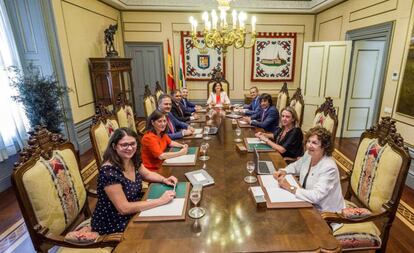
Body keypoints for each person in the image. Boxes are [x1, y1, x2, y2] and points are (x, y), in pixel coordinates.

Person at [91, 128, 178, 234]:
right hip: (115, 221)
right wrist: (160, 201)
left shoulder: (132, 158)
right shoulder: (109, 172)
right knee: (159, 231)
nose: (130, 148)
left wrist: (164, 179)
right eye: (124, 145)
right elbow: (124, 208)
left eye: (133, 144)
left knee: (169, 223)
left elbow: (146, 174)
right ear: (114, 146)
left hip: (135, 209)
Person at [273, 126, 344, 213]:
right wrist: (284, 171)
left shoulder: (329, 167)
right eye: (308, 141)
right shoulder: (309, 154)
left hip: (323, 212)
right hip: (306, 202)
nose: (309, 145)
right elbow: (297, 166)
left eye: (314, 143)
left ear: (324, 146)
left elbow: (316, 196)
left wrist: (289, 187)